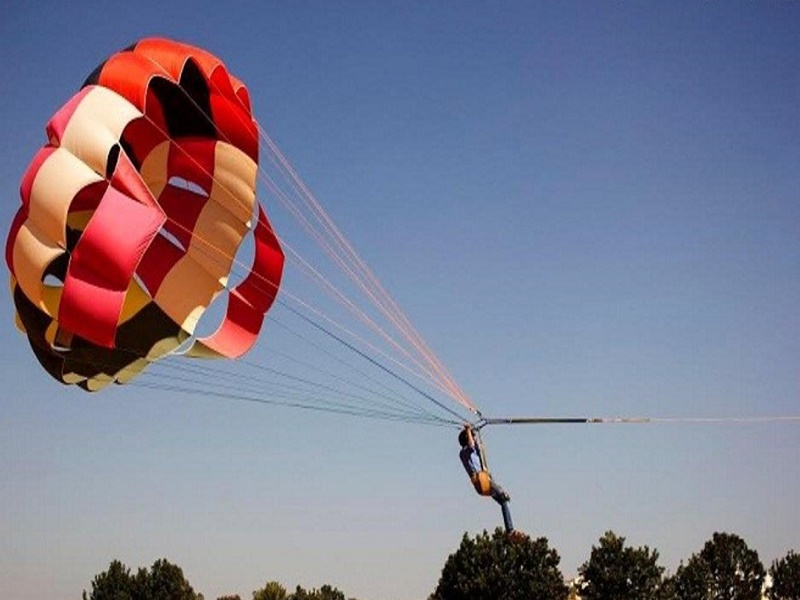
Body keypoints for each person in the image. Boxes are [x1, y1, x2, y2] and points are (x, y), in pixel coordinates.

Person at [458, 424, 514, 533]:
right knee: (504, 496)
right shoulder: (465, 452)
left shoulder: (469, 452)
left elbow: (475, 447)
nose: (473, 439)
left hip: (481, 484)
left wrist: (476, 437)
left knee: (503, 501)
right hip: (482, 480)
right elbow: (471, 444)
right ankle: (510, 529)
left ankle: (510, 530)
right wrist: (469, 430)